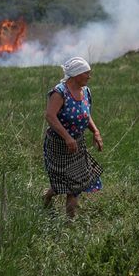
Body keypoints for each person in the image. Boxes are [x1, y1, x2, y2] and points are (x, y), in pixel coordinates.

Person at [42, 57, 104, 218]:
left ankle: (70, 222)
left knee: (76, 184)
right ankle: (48, 197)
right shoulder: (60, 92)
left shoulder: (86, 92)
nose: (89, 77)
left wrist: (95, 132)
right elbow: (50, 116)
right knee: (64, 182)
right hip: (58, 145)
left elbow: (85, 115)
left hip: (77, 144)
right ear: (76, 75)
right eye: (87, 74)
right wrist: (67, 137)